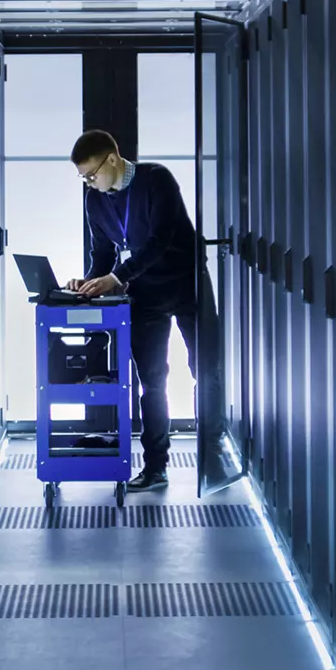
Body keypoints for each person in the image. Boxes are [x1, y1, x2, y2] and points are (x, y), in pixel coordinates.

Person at [65, 129, 217, 492]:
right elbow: (102, 254)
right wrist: (89, 284)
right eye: (83, 178)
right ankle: (156, 466)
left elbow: (159, 241)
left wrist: (117, 277)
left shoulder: (156, 180)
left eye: (92, 175)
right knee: (152, 380)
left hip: (187, 284)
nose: (89, 183)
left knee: (206, 370)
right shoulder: (95, 201)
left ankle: (213, 454)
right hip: (145, 292)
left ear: (112, 160)